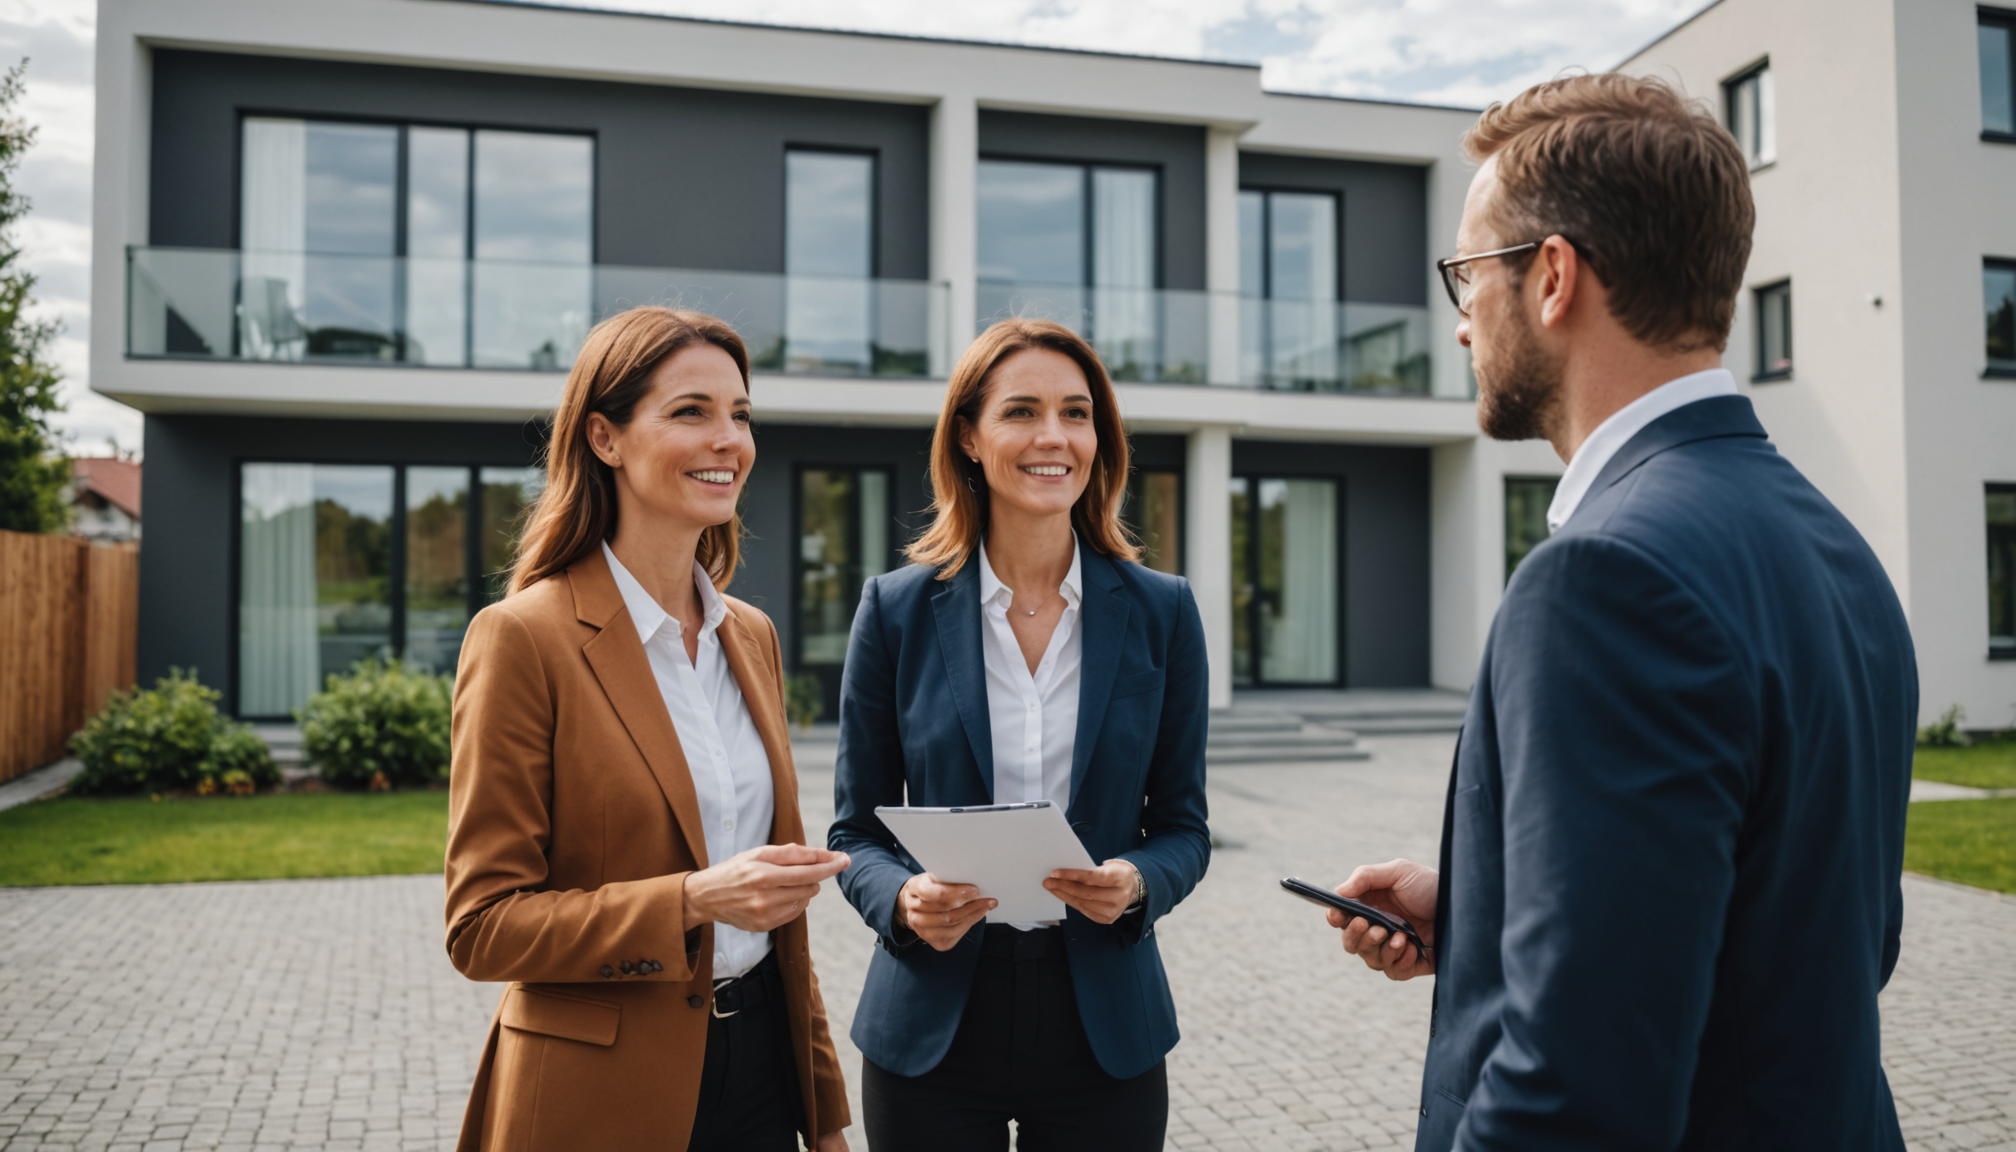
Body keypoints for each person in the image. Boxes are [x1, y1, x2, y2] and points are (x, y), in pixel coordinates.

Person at [1324, 75, 1917, 1150]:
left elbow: (1577, 1094)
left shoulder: (1602, 578)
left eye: (1469, 276)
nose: (1461, 324)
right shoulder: (1836, 547)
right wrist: (1488, 911)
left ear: (1551, 277)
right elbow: (1823, 931)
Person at [443, 306, 853, 1152]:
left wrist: (825, 1113)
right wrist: (693, 900)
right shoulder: (523, 637)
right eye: (690, 411)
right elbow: (483, 926)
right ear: (605, 437)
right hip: (602, 1098)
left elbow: (779, 920)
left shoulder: (752, 636)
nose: (727, 439)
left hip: (765, 1077)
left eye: (739, 414)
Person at [827, 318, 1211, 1151]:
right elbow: (853, 832)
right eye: (1022, 411)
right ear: (969, 436)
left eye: (1076, 414)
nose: (1053, 437)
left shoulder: (1163, 612)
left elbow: (1184, 826)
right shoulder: (894, 612)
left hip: (1103, 1023)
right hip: (931, 1024)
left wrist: (1138, 882)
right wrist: (899, 897)